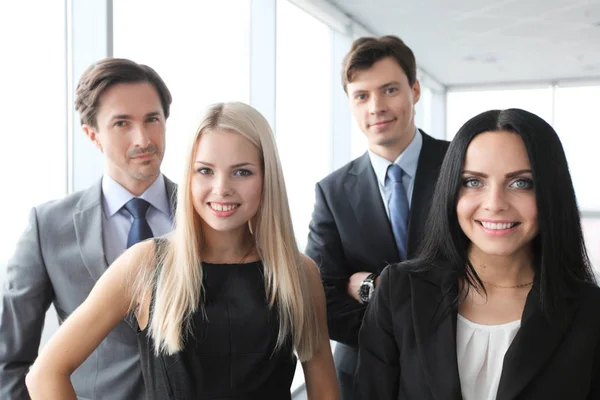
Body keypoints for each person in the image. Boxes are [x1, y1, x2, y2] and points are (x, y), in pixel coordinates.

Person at [25, 102, 340, 400]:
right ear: (188, 176)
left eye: (242, 171)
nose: (221, 188)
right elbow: (45, 374)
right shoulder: (146, 264)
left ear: (266, 177)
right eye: (205, 171)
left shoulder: (298, 272)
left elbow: (325, 391)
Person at [356, 108, 600, 399]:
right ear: (452, 191)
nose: (494, 204)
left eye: (521, 182)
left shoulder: (589, 312)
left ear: (550, 192)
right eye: (473, 182)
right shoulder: (400, 291)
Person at [0, 58, 175, 399]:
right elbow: (10, 360)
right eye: (122, 123)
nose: (143, 138)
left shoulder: (206, 216)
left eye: (152, 119)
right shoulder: (47, 228)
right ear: (92, 134)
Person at [304, 35, 449, 398]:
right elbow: (321, 297)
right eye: (362, 96)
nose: (376, 107)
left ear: (414, 90)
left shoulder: (459, 167)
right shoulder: (332, 191)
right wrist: (394, 336)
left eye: (389, 90)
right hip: (363, 376)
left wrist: (369, 286)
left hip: (453, 366)